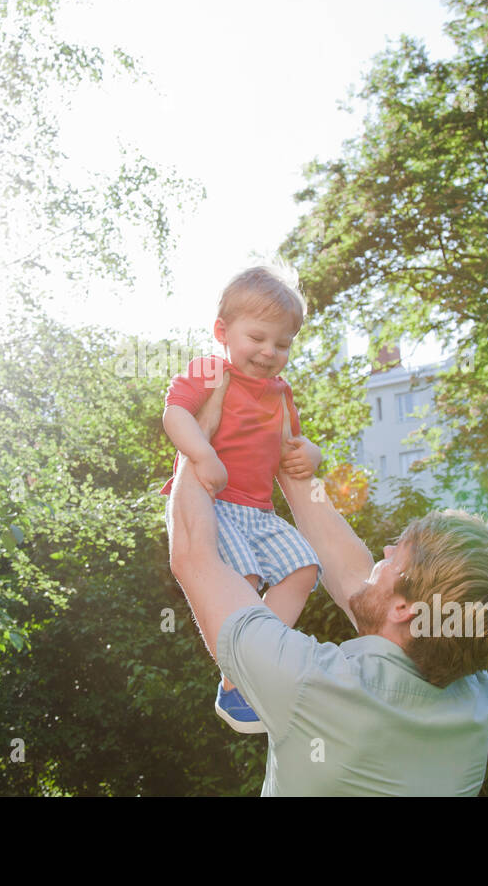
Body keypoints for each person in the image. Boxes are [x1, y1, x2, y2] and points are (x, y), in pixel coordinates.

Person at [166, 378, 488, 795]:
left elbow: (195, 555)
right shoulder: (472, 691)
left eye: (397, 556)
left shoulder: (311, 685)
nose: (386, 551)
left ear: (404, 611)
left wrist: (199, 436)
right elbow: (353, 576)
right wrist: (287, 456)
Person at [160, 265, 323, 733]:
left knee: (304, 569)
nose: (269, 352)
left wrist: (313, 452)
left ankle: (255, 665)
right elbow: (175, 414)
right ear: (222, 332)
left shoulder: (280, 392)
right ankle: (238, 682)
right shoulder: (212, 371)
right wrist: (202, 453)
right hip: (213, 504)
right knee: (241, 579)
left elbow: (295, 441)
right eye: (257, 338)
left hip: (259, 510)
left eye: (283, 344)